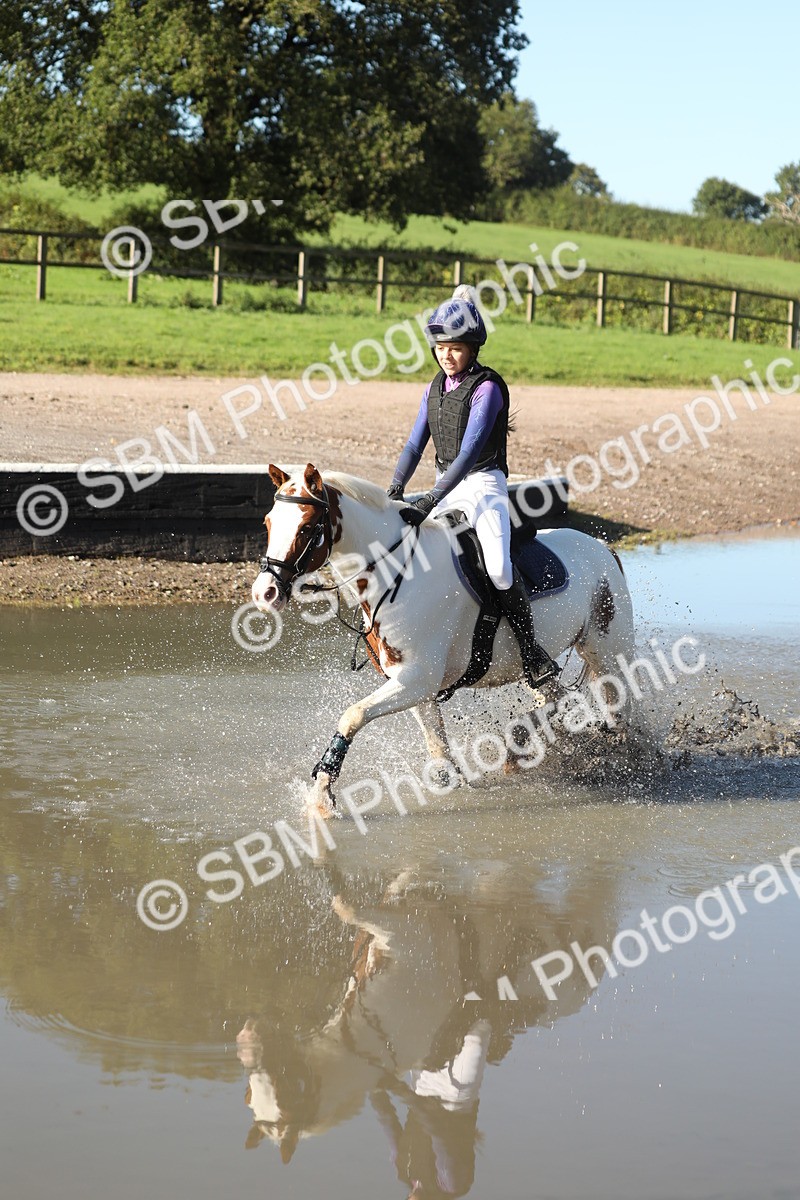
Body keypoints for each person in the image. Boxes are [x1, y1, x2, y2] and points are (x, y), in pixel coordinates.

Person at [388, 287, 558, 689]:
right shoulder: (432, 389)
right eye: (441, 347)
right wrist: (394, 489)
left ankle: (532, 651)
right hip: (444, 482)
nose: (447, 355)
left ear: (473, 348)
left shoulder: (488, 388)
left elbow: (468, 454)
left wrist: (430, 498)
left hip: (482, 484)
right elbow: (415, 444)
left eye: (456, 348)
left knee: (498, 567)